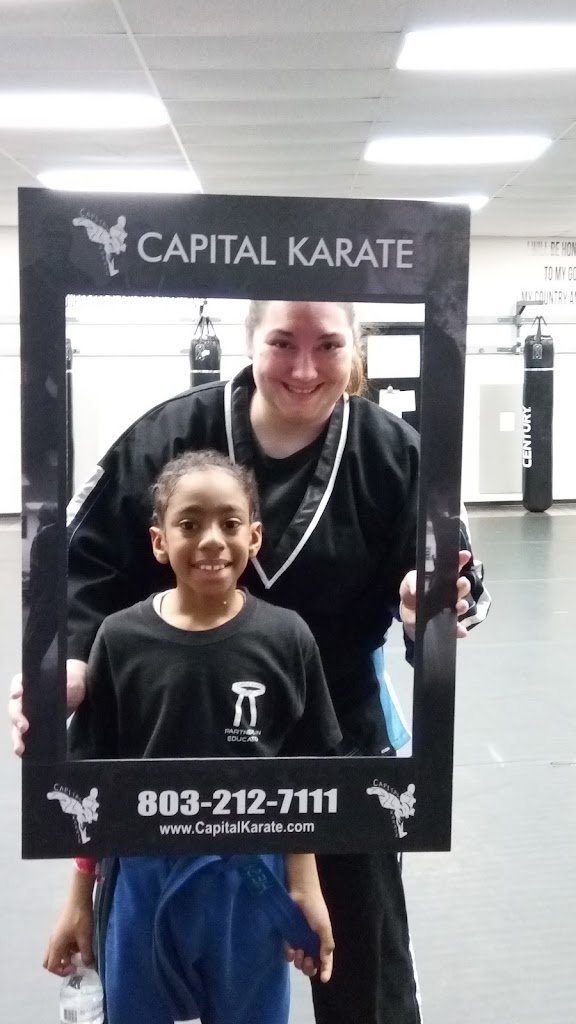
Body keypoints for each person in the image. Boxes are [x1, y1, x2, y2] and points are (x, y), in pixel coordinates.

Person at [11, 300, 487, 1024]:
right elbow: (82, 565)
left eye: (329, 345)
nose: (305, 368)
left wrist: (431, 613)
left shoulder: (397, 452)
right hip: (182, 743)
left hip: (338, 741)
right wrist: (71, 665)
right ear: (249, 341)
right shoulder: (169, 436)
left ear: (355, 347)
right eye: (283, 343)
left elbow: (456, 584)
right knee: (170, 960)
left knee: (364, 970)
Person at [43, 450, 338, 1024]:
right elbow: (93, 791)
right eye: (189, 523)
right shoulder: (119, 639)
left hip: (249, 881)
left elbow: (306, 779)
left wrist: (305, 884)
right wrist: (80, 898)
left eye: (230, 523)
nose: (211, 540)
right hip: (141, 879)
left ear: (254, 537)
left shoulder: (287, 638)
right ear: (159, 542)